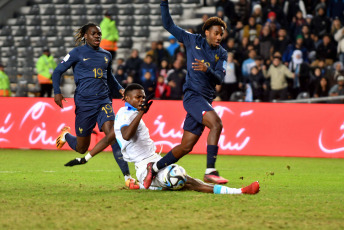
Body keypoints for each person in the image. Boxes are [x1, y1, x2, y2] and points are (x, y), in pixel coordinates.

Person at [64, 84, 260, 194]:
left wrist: (86, 158)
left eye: (142, 97)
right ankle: (143, 182)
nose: (141, 100)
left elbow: (108, 139)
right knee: (181, 178)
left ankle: (239, 191)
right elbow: (125, 135)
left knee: (187, 181)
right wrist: (141, 114)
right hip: (143, 166)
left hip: (154, 160)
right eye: (137, 97)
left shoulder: (129, 114)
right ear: (127, 99)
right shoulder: (125, 115)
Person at [143, 0, 230, 190]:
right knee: (216, 124)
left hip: (205, 101)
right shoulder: (192, 40)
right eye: (216, 33)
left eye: (221, 34)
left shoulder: (222, 54)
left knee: (186, 146)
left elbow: (220, 79)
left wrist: (207, 69)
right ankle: (210, 172)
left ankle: (154, 167)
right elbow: (168, 25)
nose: (219, 37)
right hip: (192, 97)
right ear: (206, 32)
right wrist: (163, 4)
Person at [52, 23, 134, 186]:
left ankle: (127, 177)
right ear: (85, 36)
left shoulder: (106, 55)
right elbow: (57, 71)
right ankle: (65, 135)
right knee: (82, 148)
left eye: (99, 33)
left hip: (104, 100)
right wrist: (57, 92)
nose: (97, 36)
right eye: (93, 33)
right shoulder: (77, 52)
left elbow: (109, 76)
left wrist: (120, 89)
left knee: (112, 135)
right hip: (84, 103)